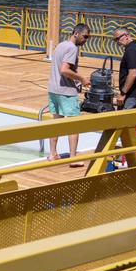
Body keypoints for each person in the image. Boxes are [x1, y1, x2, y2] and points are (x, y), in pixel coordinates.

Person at [48, 23, 91, 165]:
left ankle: (53, 154)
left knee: (56, 122)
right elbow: (64, 70)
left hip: (53, 89)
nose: (86, 40)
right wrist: (81, 79)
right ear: (76, 33)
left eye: (88, 37)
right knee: (74, 124)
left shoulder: (61, 45)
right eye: (85, 36)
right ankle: (73, 158)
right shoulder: (72, 48)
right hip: (66, 91)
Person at [111, 28, 136, 109]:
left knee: (123, 120)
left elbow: (133, 74)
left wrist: (123, 94)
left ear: (126, 36)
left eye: (117, 39)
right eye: (114, 40)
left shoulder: (131, 51)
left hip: (132, 95)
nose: (117, 42)